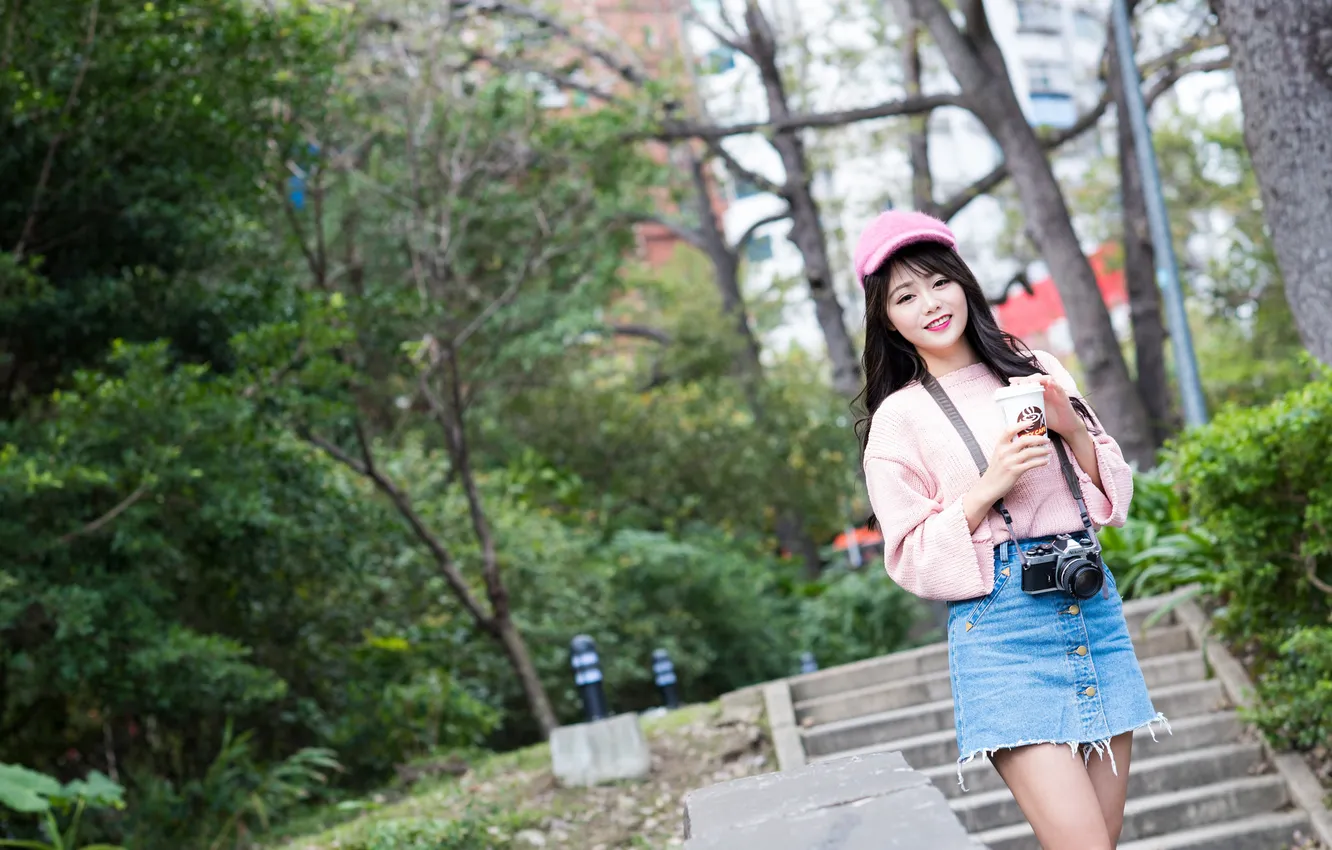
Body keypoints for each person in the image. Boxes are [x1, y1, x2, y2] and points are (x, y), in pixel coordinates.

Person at [852, 210, 1168, 850]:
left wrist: (1070, 425)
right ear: (887, 318)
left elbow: (1114, 495)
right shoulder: (899, 420)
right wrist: (987, 486)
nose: (931, 304)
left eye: (938, 282)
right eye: (905, 297)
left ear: (963, 282)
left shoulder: (1034, 365)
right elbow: (910, 557)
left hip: (1091, 607)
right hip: (1003, 633)